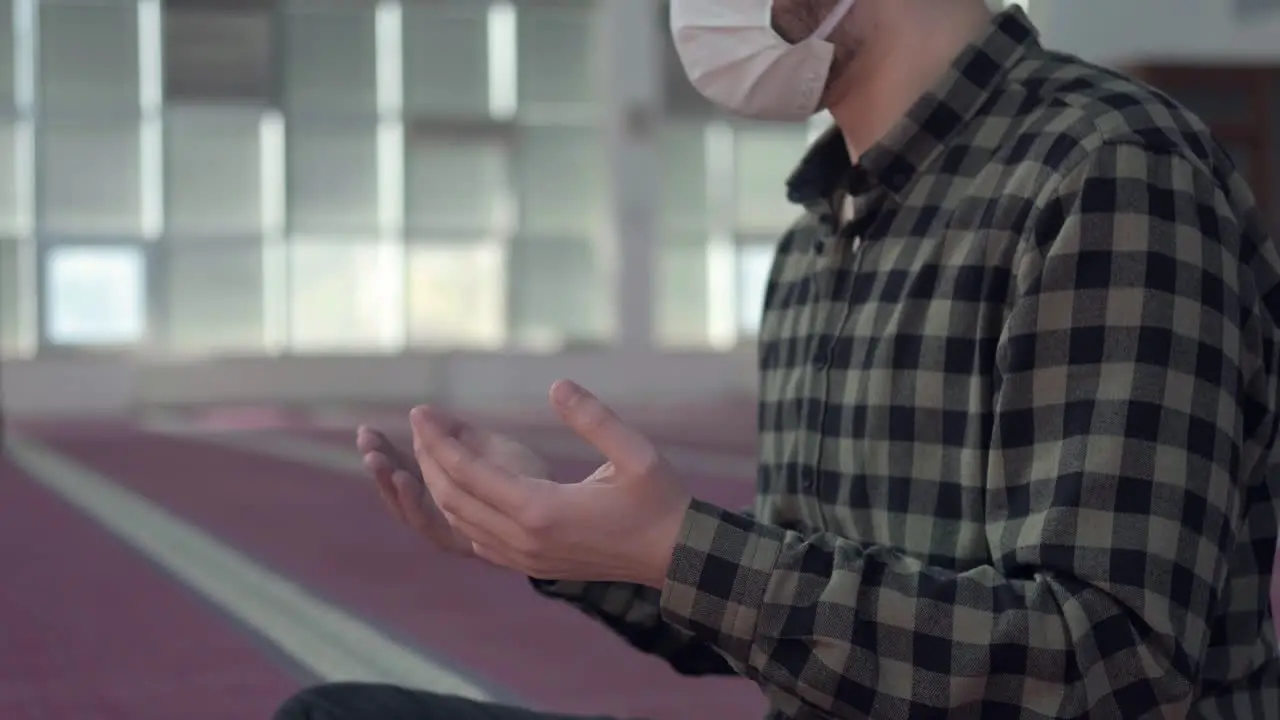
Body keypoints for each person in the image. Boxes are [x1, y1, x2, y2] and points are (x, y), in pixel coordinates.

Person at [276, 0, 1280, 718]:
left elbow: (1104, 660)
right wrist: (562, 533)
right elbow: (801, 613)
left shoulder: (1105, 169)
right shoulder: (815, 242)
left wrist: (677, 551)